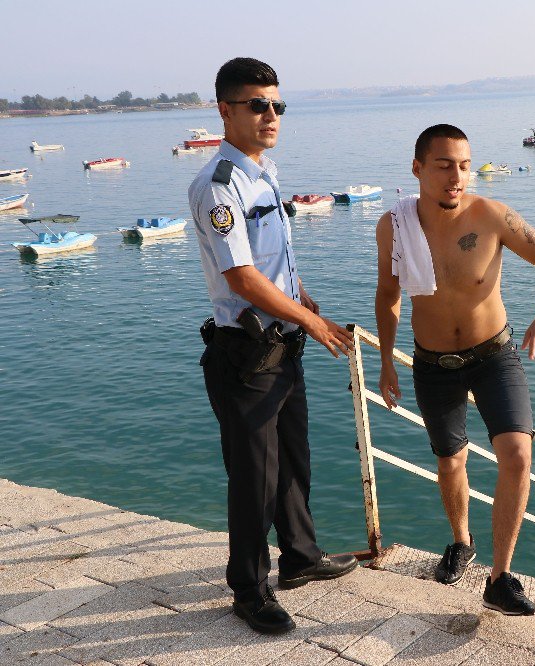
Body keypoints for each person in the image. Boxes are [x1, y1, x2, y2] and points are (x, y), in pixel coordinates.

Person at [374, 124, 535, 616]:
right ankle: (461, 543)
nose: (456, 177)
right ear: (418, 168)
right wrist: (385, 360)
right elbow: (389, 295)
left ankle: (500, 576)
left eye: (464, 165)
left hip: (494, 356)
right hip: (432, 363)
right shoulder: (394, 226)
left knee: (517, 456)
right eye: (444, 165)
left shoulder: (491, 215)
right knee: (450, 461)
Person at [189, 57, 357, 634]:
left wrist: (304, 301)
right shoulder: (217, 186)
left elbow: (274, 263)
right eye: (257, 105)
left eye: (277, 105)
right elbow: (241, 278)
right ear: (226, 110)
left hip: (284, 345)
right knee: (254, 477)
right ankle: (248, 590)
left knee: (293, 460)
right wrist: (312, 325)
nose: (270, 115)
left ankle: (302, 559)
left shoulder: (266, 173)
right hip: (246, 355)